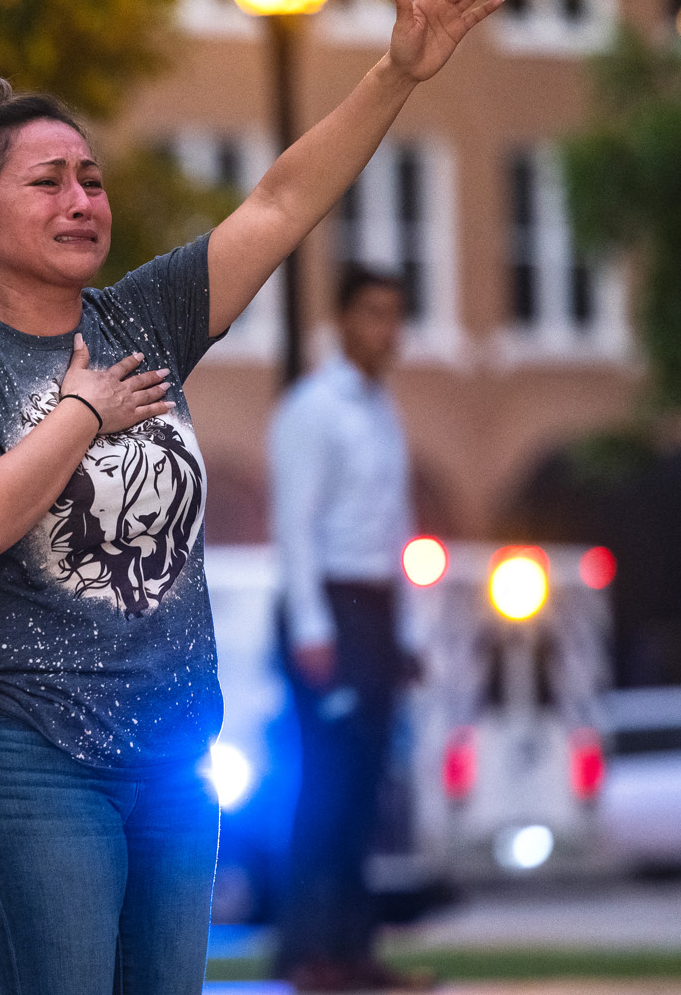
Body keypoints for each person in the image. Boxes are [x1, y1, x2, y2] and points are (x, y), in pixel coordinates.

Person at [0, 0, 503, 995]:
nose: (84, 200)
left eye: (91, 179)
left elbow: (277, 204)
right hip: (32, 757)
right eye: (49, 183)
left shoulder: (146, 318)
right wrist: (82, 410)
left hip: (176, 756)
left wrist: (398, 72)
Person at [270, 268, 426, 992]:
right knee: (323, 785)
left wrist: (411, 633)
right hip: (328, 608)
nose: (385, 329)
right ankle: (308, 951)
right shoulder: (313, 409)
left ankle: (354, 948)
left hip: (377, 611)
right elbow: (295, 527)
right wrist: (312, 629)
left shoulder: (384, 411)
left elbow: (398, 530)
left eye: (395, 315)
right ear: (341, 320)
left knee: (367, 788)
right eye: (372, 313)